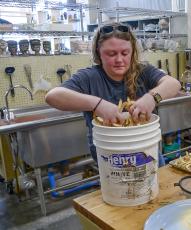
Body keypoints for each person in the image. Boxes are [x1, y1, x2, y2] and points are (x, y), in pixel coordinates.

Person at [45, 22, 181, 166]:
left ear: (132, 52)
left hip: (146, 153)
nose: (119, 60)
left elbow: (174, 84)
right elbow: (53, 96)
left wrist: (151, 97)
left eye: (125, 53)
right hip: (110, 160)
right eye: (111, 54)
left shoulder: (143, 72)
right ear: (98, 53)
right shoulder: (89, 77)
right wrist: (97, 104)